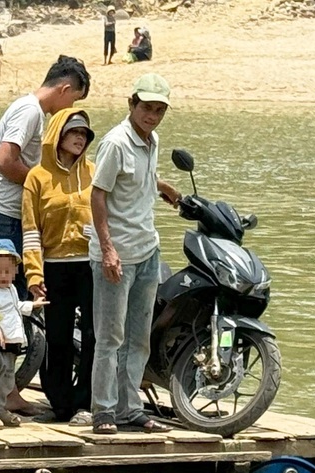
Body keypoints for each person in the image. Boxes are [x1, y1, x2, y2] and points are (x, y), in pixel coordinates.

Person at [0, 55, 91, 417]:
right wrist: (41, 183)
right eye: (73, 101)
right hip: (0, 217)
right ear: (65, 89)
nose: (68, 111)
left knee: (6, 305)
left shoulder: (22, 107)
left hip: (0, 213)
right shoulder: (32, 110)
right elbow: (3, 160)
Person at [88, 73, 180, 435]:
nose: (152, 116)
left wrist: (162, 186)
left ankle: (131, 409)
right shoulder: (115, 143)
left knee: (139, 337)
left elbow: (140, 179)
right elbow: (98, 194)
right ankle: (104, 412)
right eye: (146, 108)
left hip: (147, 250)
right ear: (132, 104)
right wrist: (108, 249)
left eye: (159, 110)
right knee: (110, 337)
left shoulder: (151, 140)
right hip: (116, 255)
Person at [21, 108, 97, 427]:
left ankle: (86, 404)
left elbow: (111, 212)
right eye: (74, 132)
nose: (80, 138)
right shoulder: (37, 177)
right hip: (54, 267)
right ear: (57, 136)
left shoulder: (95, 172)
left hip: (90, 266)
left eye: (84, 134)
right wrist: (34, 274)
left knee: (94, 336)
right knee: (58, 337)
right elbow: (30, 229)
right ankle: (59, 403)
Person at [0, 239, 48, 430]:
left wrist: (32, 305)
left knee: (6, 381)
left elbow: (15, 307)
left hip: (11, 346)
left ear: (15, 271)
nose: (3, 276)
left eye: (7, 271)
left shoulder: (11, 290)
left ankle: (0, 409)